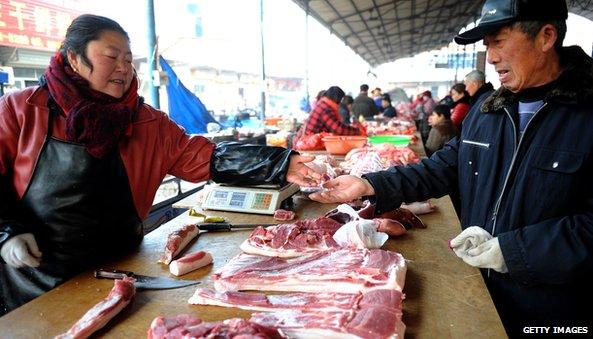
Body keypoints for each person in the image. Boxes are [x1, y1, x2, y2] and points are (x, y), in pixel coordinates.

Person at [0, 15, 321, 315]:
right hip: (31, 283)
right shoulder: (22, 109)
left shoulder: (145, 122)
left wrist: (278, 163)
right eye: (112, 57)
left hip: (118, 276)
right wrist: (6, 232)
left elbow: (206, 157)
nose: (123, 68)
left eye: (128, 59)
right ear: (73, 58)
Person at [310, 0, 593, 335]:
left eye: (499, 42)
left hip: (550, 312)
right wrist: (369, 185)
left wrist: (511, 251)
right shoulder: (488, 110)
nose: (491, 57)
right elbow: (443, 166)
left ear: (546, 37)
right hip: (478, 291)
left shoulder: (586, 113)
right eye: (487, 45)